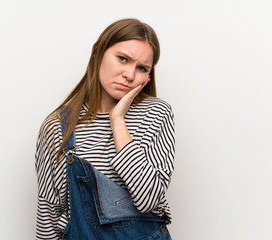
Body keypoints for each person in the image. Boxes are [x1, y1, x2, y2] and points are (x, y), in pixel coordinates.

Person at [35, 18, 175, 240]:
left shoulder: (156, 113)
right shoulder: (57, 127)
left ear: (148, 76)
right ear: (97, 52)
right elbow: (49, 212)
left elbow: (148, 199)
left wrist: (117, 120)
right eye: (122, 59)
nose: (129, 75)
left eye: (141, 68)